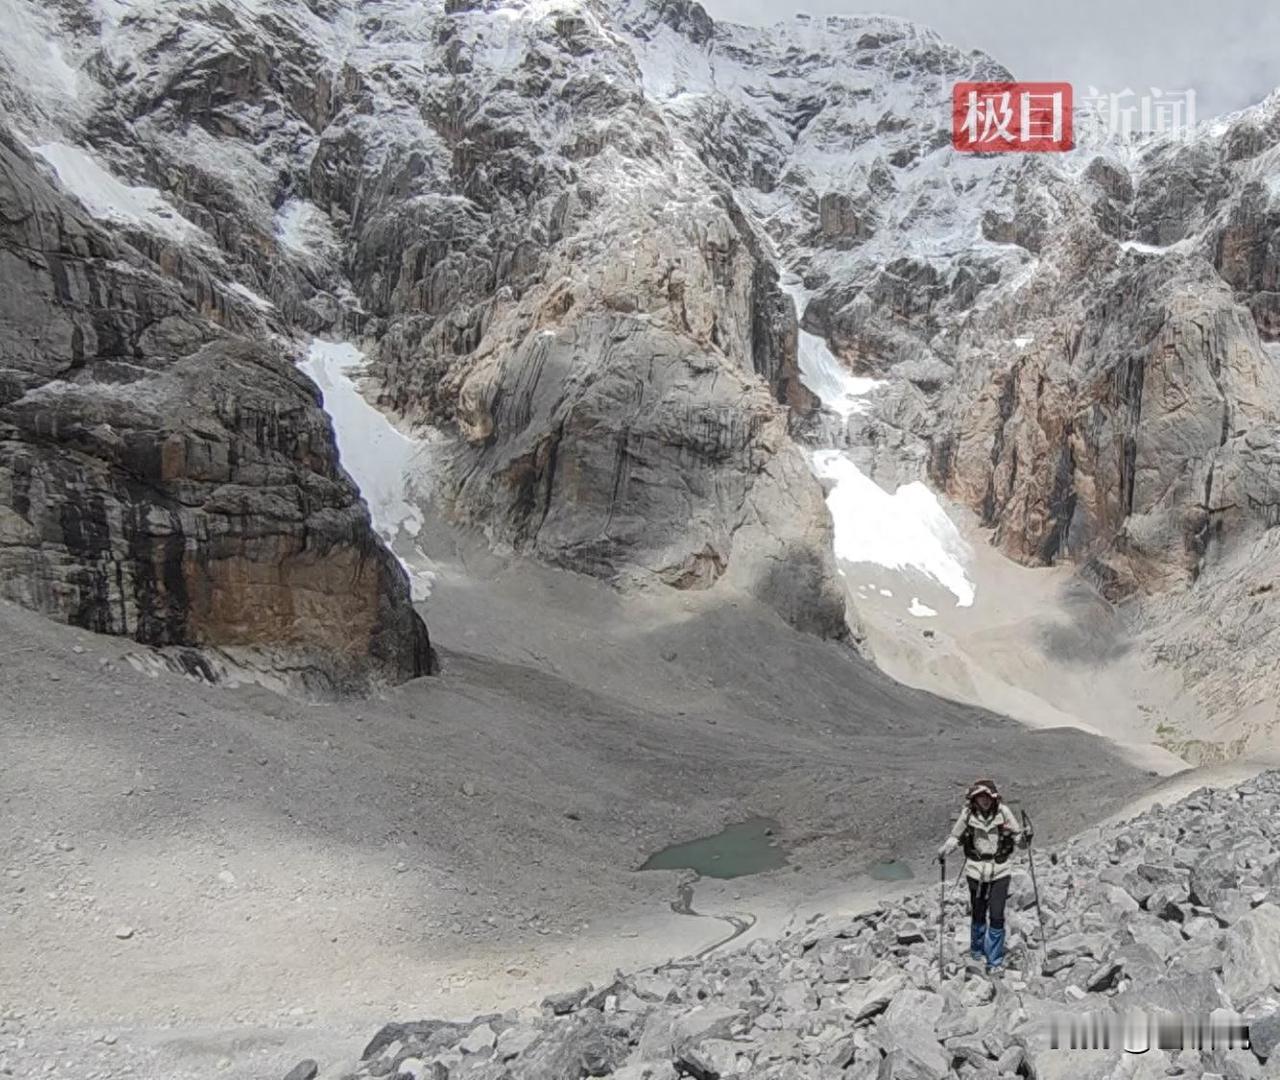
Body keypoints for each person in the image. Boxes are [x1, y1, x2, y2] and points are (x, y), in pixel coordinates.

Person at [937, 778, 1031, 973]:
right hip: (975, 870)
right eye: (981, 797)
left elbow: (1017, 838)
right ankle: (977, 951)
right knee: (978, 912)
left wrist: (1025, 838)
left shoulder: (1003, 812)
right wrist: (946, 850)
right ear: (975, 799)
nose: (985, 800)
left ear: (993, 797)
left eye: (987, 796)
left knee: (996, 915)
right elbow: (956, 836)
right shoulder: (967, 814)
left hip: (1000, 870)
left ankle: (993, 961)